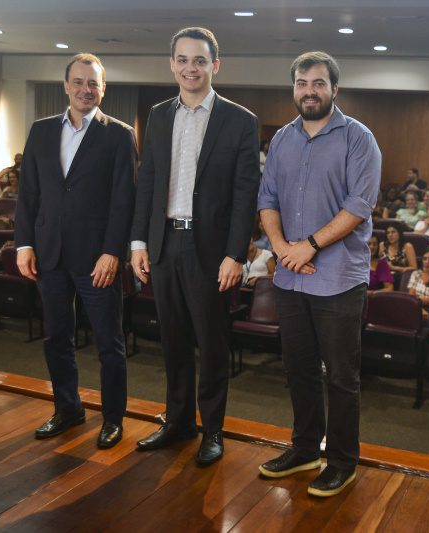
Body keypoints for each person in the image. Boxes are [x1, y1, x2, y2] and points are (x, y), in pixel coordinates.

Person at [130, 28, 260, 465]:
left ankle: (213, 430)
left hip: (211, 252)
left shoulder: (240, 120)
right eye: (183, 60)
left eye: (199, 60)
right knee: (173, 341)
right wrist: (138, 242)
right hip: (164, 244)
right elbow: (147, 182)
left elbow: (246, 194)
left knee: (212, 343)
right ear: (172, 64)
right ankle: (179, 422)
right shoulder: (159, 114)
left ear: (214, 65)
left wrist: (236, 254)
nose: (191, 68)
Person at [257, 51, 381, 498]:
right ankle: (305, 448)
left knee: (341, 377)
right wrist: (282, 250)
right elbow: (266, 199)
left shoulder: (358, 139)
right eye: (302, 83)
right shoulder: (283, 140)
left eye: (318, 83)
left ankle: (343, 461)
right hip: (292, 279)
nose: (309, 90)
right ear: (293, 88)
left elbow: (358, 206)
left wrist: (305, 246)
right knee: (299, 369)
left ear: (334, 89)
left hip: (338, 280)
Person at [14, 53, 137, 449]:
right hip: (49, 254)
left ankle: (113, 419)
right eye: (79, 82)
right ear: (66, 86)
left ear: (104, 89)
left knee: (109, 344)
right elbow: (29, 194)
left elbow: (124, 200)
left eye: (94, 83)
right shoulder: (41, 131)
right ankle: (68, 409)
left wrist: (112, 252)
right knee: (56, 338)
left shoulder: (118, 134)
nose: (87, 89)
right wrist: (24, 243)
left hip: (97, 259)